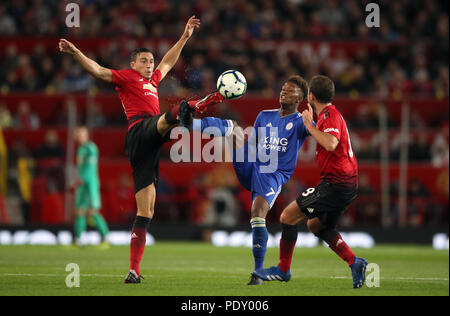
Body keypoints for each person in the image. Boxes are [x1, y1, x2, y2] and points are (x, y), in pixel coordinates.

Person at [59, 16, 224, 283]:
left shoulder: (154, 81)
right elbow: (99, 71)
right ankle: (200, 105)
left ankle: (133, 270)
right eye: (144, 61)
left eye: (151, 61)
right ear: (133, 64)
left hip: (149, 146)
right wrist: (76, 51)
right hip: (138, 131)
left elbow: (168, 61)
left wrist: (184, 37)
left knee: (145, 212)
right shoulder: (126, 78)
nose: (150, 66)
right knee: (169, 117)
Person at [186, 75, 310, 285]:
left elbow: (319, 133)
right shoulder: (264, 115)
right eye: (283, 88)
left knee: (257, 212)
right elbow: (252, 145)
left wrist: (314, 119)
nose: (284, 92)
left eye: (290, 91)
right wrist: (241, 153)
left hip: (273, 174)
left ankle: (257, 273)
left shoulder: (301, 123)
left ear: (301, 98)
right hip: (253, 164)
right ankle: (190, 123)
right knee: (232, 128)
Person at [254, 75, 368, 289]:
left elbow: (331, 143)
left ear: (310, 97)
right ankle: (355, 262)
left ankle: (283, 270)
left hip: (336, 184)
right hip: (345, 185)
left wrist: (309, 125)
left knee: (287, 216)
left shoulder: (329, 115)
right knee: (316, 225)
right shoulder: (328, 115)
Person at [72, 126, 109, 248]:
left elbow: (90, 169)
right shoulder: (80, 149)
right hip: (82, 183)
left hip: (90, 184)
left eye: (82, 133)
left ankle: (105, 238)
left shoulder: (90, 148)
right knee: (79, 211)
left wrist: (84, 180)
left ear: (86, 135)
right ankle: (78, 240)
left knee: (92, 211)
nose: (79, 135)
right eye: (78, 133)